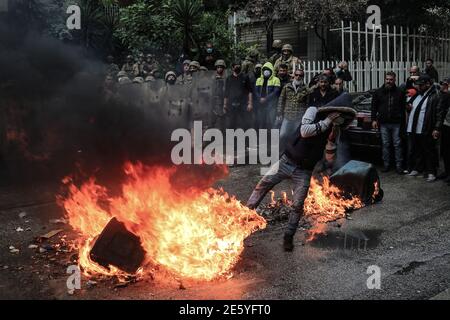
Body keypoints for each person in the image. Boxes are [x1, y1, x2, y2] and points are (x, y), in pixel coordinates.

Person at [247, 107, 345, 251]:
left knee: (298, 204)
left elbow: (330, 154)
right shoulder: (313, 111)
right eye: (336, 115)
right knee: (262, 185)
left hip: (304, 171)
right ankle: (245, 215)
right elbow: (305, 131)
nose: (337, 118)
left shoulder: (333, 127)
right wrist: (328, 121)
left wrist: (333, 134)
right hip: (286, 161)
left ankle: (288, 236)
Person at [405, 74, 441, 182]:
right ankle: (418, 168)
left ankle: (431, 172)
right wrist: (408, 107)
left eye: (421, 85)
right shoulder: (418, 94)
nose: (418, 87)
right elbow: (410, 106)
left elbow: (439, 113)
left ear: (428, 84)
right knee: (417, 150)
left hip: (426, 127)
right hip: (415, 127)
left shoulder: (434, 96)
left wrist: (436, 128)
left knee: (429, 151)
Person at [371, 72, 406, 174]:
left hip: (397, 123)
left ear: (395, 80)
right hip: (383, 123)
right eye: (387, 79)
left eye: (391, 79)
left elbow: (403, 107)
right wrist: (373, 120)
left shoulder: (400, 92)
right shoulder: (378, 92)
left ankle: (399, 166)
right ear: (385, 79)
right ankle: (386, 165)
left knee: (397, 144)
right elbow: (373, 107)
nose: (388, 81)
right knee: (385, 144)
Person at [277, 69, 310, 152]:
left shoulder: (306, 89)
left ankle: (290, 154)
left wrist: (305, 117)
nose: (298, 77)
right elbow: (281, 100)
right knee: (282, 135)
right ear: (294, 76)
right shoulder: (287, 87)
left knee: (294, 137)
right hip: (287, 116)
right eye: (297, 75)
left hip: (299, 117)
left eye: (300, 75)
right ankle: (280, 152)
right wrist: (279, 113)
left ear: (303, 77)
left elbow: (307, 103)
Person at [224, 61, 253, 130]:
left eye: (239, 65)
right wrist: (224, 105)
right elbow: (226, 93)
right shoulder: (229, 78)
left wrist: (250, 103)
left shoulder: (245, 77)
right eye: (236, 66)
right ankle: (231, 139)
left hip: (243, 104)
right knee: (231, 124)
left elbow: (250, 91)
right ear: (232, 68)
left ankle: (245, 139)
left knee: (245, 124)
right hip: (231, 104)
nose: (237, 67)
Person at [254, 62, 281, 130]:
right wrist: (260, 99)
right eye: (264, 69)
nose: (266, 71)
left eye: (268, 69)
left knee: (272, 122)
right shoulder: (259, 79)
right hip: (261, 105)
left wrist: (265, 99)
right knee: (261, 122)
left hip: (271, 105)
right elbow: (255, 91)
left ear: (271, 70)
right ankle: (261, 138)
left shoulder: (276, 79)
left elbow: (276, 92)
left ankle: (273, 139)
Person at [436, 78, 450, 184]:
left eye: (447, 84)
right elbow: (441, 108)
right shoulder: (445, 95)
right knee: (445, 150)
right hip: (446, 125)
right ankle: (447, 171)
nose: (445, 86)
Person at [211, 60, 227, 133]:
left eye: (221, 67)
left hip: (224, 100)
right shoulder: (212, 77)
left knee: (222, 119)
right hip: (214, 100)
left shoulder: (226, 78)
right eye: (218, 67)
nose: (219, 68)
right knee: (213, 119)